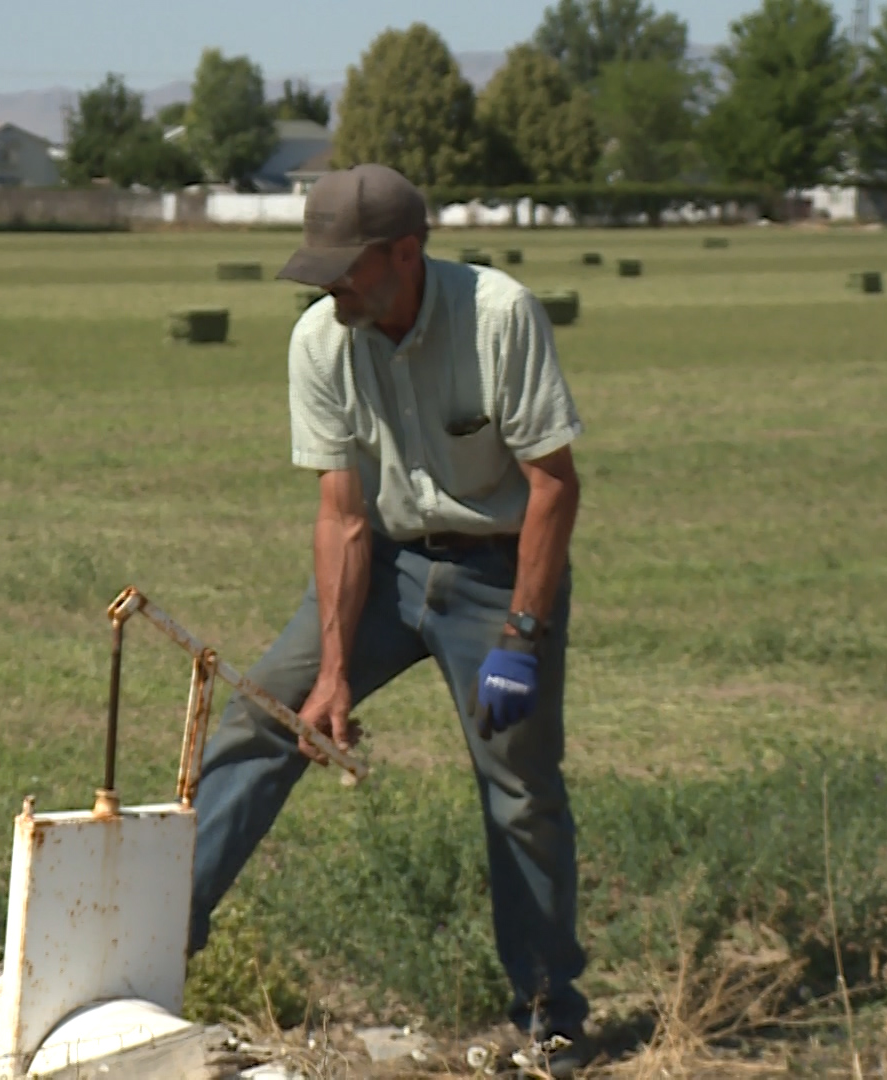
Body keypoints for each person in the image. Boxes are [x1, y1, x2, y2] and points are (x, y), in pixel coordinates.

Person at [186, 163, 591, 1076]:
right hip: (389, 570)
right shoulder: (321, 341)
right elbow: (343, 516)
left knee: (519, 786)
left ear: (406, 254)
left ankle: (548, 1016)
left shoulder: (500, 315)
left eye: (347, 267)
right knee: (266, 716)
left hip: (497, 574)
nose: (328, 286)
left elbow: (553, 486)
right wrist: (331, 673)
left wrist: (522, 638)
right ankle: (157, 948)